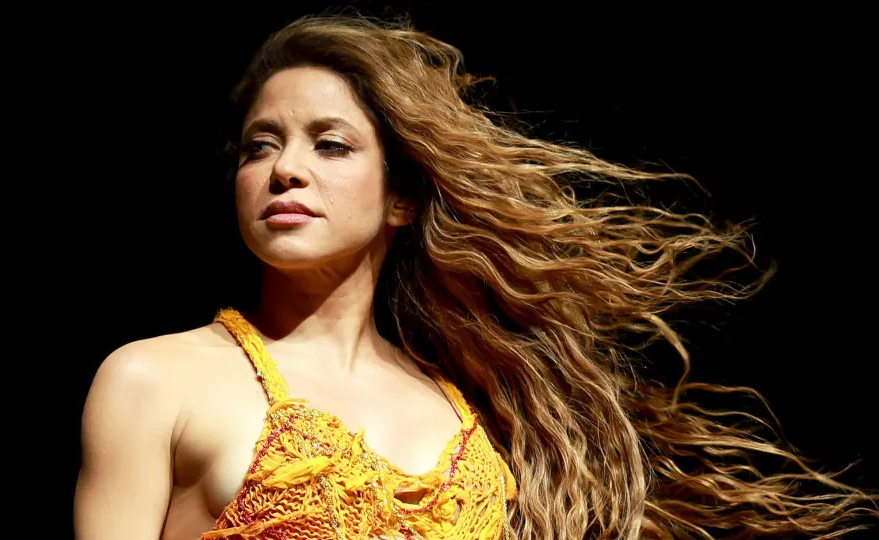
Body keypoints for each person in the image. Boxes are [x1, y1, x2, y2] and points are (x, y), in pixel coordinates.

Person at [74, 13, 877, 540]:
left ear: (401, 196)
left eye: (331, 144)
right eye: (260, 145)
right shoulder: (154, 380)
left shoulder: (469, 414)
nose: (285, 169)